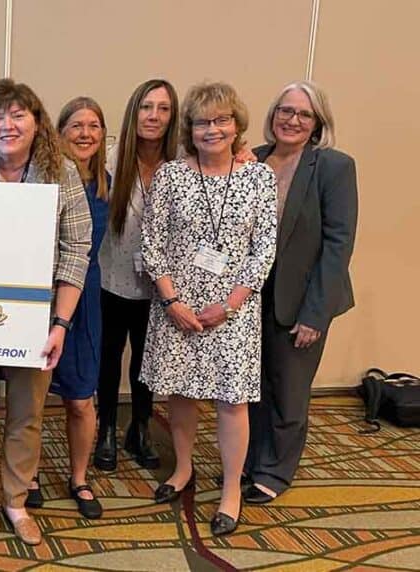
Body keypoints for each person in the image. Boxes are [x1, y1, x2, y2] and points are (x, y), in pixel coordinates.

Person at [0, 78, 92, 545]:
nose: (7, 125)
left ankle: (15, 501)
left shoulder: (60, 173)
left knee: (27, 414)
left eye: (17, 115)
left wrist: (60, 323)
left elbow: (76, 249)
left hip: (35, 319)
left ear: (36, 121)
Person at [141, 82, 277, 536]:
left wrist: (230, 305)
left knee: (231, 401)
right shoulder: (170, 176)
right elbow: (152, 243)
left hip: (234, 311)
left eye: (221, 120)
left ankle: (231, 490)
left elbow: (264, 249)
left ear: (237, 125)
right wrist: (172, 301)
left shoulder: (258, 178)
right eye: (202, 122)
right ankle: (183, 468)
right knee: (180, 393)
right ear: (189, 128)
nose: (212, 129)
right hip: (176, 307)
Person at [244, 81, 357, 504]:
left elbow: (339, 244)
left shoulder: (333, 167)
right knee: (251, 386)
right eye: (285, 111)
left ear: (317, 123)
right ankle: (251, 460)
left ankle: (275, 472)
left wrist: (316, 313)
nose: (292, 120)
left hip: (304, 297)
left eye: (303, 114)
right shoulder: (252, 160)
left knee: (289, 390)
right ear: (273, 115)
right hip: (251, 296)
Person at [26, 97, 110, 519]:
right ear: (58, 132)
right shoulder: (41, 175)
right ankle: (29, 474)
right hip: (39, 298)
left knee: (80, 399)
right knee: (32, 400)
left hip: (83, 297)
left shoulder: (109, 181)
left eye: (94, 126)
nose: (85, 133)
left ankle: (79, 477)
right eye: (76, 125)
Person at [94, 80, 180, 472]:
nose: (154, 116)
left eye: (163, 108)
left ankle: (140, 428)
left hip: (160, 286)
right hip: (111, 278)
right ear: (134, 111)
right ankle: (106, 429)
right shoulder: (110, 160)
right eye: (147, 107)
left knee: (147, 361)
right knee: (109, 358)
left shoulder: (183, 164)